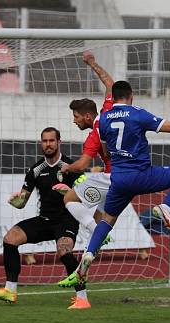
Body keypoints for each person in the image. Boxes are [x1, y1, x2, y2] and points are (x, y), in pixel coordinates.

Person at [58, 80, 170, 287]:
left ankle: (88, 256)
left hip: (118, 179)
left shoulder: (103, 120)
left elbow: (106, 152)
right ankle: (165, 207)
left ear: (113, 97)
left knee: (106, 221)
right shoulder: (137, 113)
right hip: (142, 175)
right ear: (131, 95)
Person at [0, 127, 91, 309]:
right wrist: (14, 201)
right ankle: (10, 290)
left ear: (59, 142)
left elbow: (87, 197)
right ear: (41, 143)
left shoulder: (72, 168)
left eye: (51, 141)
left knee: (64, 250)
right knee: (10, 239)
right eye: (45, 141)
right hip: (45, 220)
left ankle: (82, 298)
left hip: (66, 219)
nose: (48, 144)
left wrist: (68, 191)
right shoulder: (35, 170)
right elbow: (22, 202)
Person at [54, 51, 114, 248]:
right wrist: (92, 63)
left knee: (71, 199)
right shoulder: (108, 110)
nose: (74, 120)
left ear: (88, 116)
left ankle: (97, 235)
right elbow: (111, 84)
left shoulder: (94, 135)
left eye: (76, 117)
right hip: (130, 174)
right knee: (98, 216)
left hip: (113, 176)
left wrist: (66, 168)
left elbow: (82, 164)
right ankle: (89, 257)